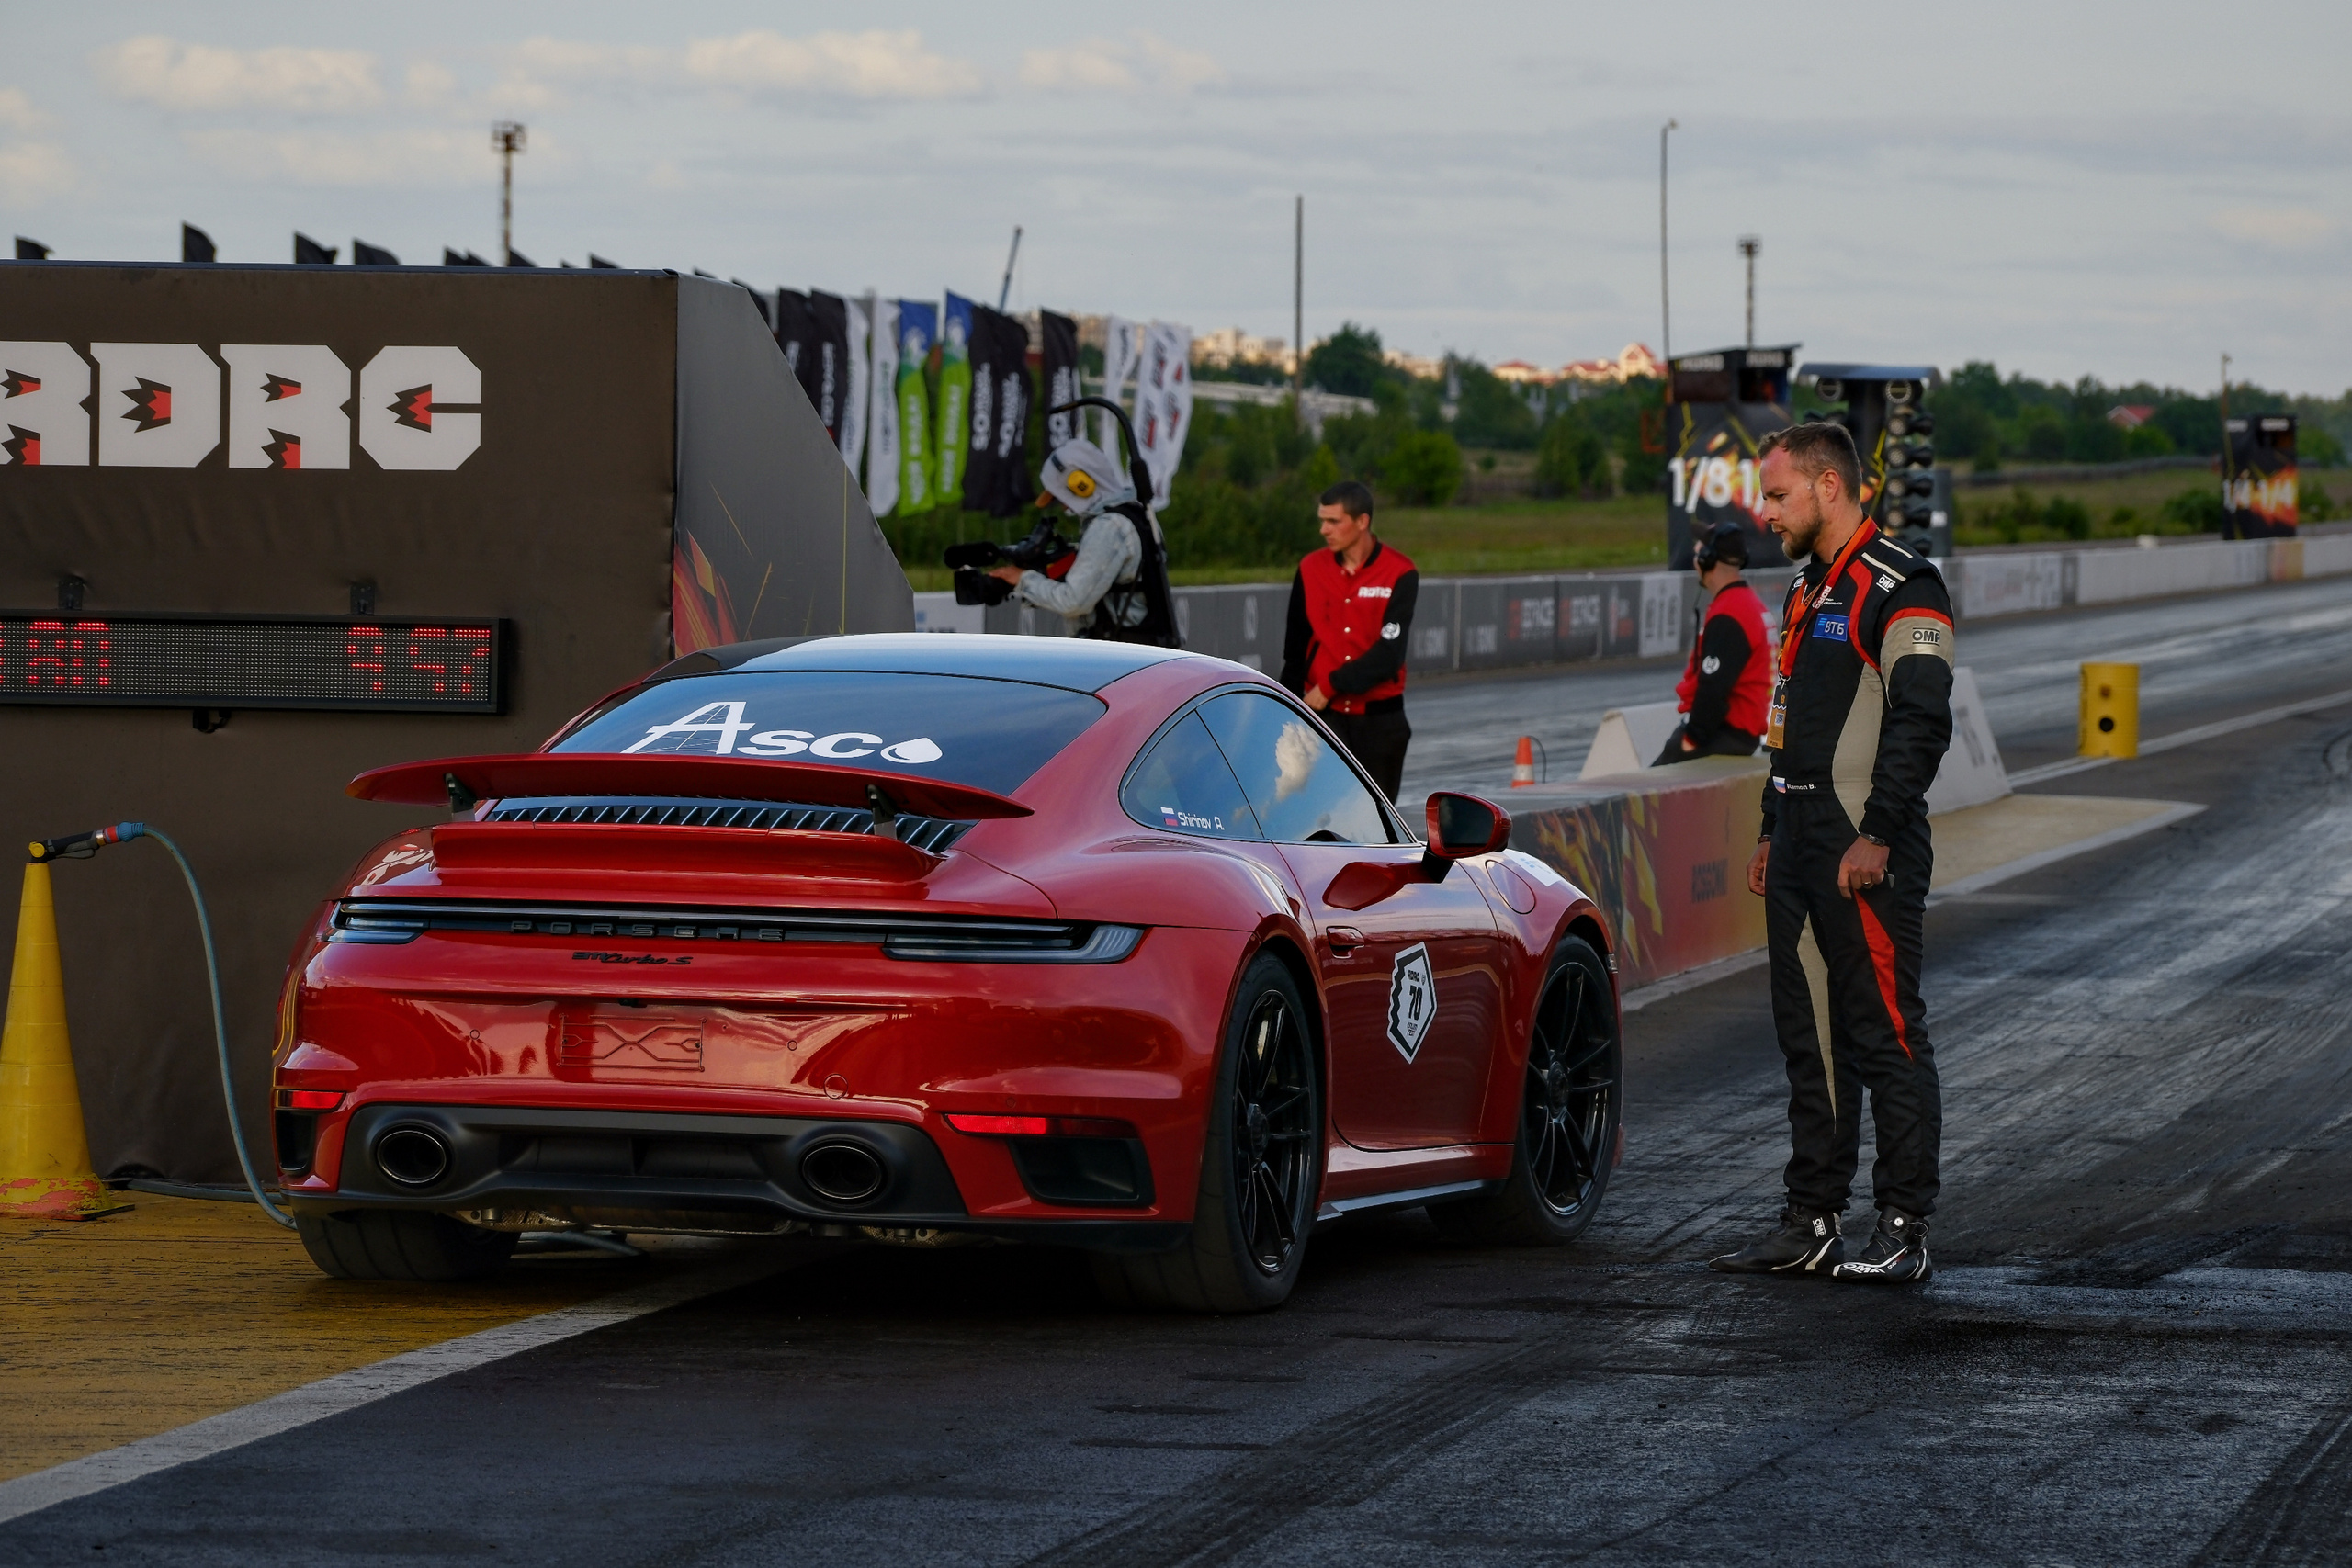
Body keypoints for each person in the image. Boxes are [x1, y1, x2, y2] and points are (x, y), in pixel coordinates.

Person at [1710, 421, 1954, 1286]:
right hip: (1804, 837)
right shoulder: (1804, 592)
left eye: (1776, 495)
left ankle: (1903, 1225)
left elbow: (1924, 721)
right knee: (1807, 1037)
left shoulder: (1903, 584)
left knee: (1885, 1032)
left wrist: (1878, 832)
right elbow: (1788, 730)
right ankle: (1812, 1218)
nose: (1763, 512)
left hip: (1866, 842)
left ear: (1828, 487)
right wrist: (1775, 831)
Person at [1279, 480, 1418, 801]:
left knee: (1377, 826)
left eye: (1333, 521)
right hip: (1325, 719)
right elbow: (1295, 651)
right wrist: (1284, 712)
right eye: (1322, 520)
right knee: (1318, 818)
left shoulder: (1401, 572)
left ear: (1362, 522)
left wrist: (1329, 685)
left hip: (1380, 722)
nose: (1324, 530)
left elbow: (1389, 655)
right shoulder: (1310, 568)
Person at [989, 437, 1179, 645]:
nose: (1063, 507)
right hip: (1141, 650)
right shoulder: (1137, 514)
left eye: (1061, 497)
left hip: (1120, 655)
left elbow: (1073, 601)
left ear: (1081, 485)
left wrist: (1023, 580)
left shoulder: (1109, 528)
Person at [1657, 521, 1771, 764]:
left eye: (1700, 547)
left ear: (1708, 558)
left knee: (1645, 795)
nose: (1695, 552)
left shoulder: (1730, 613)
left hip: (1721, 737)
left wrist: (1691, 740)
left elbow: (1713, 689)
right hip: (1739, 736)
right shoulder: (1747, 603)